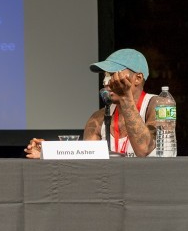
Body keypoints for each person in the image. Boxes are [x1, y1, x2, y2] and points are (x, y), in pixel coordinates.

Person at [25, 48, 158, 158]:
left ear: (138, 78)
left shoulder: (158, 104)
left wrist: (125, 98)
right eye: (105, 75)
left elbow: (143, 150)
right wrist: (47, 152)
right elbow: (85, 160)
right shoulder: (98, 118)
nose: (106, 82)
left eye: (113, 74)